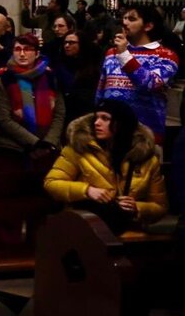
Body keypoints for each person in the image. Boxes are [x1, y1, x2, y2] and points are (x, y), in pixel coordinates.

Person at [44, 99, 167, 232]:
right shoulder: (78, 149)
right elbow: (51, 183)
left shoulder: (146, 158)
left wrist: (137, 207)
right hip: (85, 226)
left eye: (105, 118)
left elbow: (160, 206)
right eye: (96, 118)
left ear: (121, 124)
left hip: (128, 228)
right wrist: (87, 190)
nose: (97, 123)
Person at [96, 5, 179, 146]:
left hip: (144, 135)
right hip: (111, 134)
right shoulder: (111, 53)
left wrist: (124, 54)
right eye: (124, 18)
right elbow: (101, 89)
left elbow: (150, 84)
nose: (125, 23)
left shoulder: (166, 56)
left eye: (132, 19)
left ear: (148, 26)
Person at [0, 34, 65, 172]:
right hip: (12, 146)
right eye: (17, 49)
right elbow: (4, 118)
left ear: (37, 53)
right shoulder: (5, 78)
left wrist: (48, 142)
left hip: (48, 143)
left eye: (27, 49)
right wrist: (35, 142)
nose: (22, 54)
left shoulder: (50, 76)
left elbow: (59, 113)